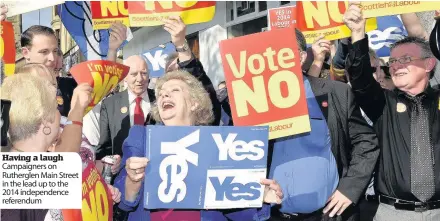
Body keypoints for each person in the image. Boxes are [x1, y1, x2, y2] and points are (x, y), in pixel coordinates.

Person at [114, 70, 282, 220]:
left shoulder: (220, 143)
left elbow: (235, 210)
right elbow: (123, 201)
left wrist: (260, 196)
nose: (164, 96)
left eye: (174, 91)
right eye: (161, 94)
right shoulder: (140, 137)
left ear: (194, 102)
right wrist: (133, 180)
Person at [267, 29, 379, 221]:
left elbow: (366, 142)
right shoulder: (252, 104)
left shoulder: (335, 93)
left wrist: (350, 189)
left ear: (301, 57)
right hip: (271, 215)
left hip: (327, 215)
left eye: (282, 52)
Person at [344, 3, 440, 220]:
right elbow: (360, 80)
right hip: (393, 213)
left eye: (406, 59)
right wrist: (358, 32)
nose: (396, 65)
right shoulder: (383, 104)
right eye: (393, 61)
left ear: (428, 64)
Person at [163, 16, 221, 126]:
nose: (176, 75)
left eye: (180, 69)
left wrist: (180, 44)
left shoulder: (202, 117)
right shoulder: (154, 125)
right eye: (170, 72)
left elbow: (194, 77)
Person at [20, 25, 77, 117]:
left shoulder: (70, 86)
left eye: (55, 51)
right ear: (26, 53)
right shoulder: (12, 90)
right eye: (44, 52)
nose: (52, 58)